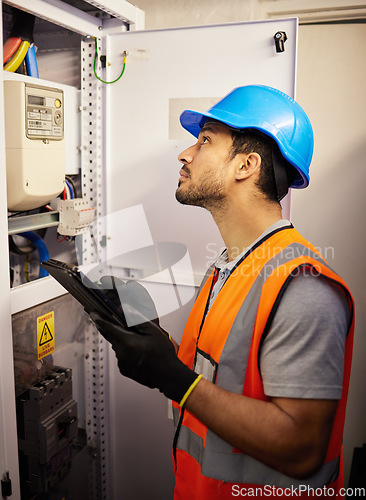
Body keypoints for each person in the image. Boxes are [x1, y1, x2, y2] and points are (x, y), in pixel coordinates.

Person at [91, 85, 354, 498]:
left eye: (205, 141)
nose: (185, 154)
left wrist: (172, 378)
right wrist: (157, 346)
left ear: (246, 165)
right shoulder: (230, 266)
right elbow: (224, 376)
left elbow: (302, 449)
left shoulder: (303, 286)